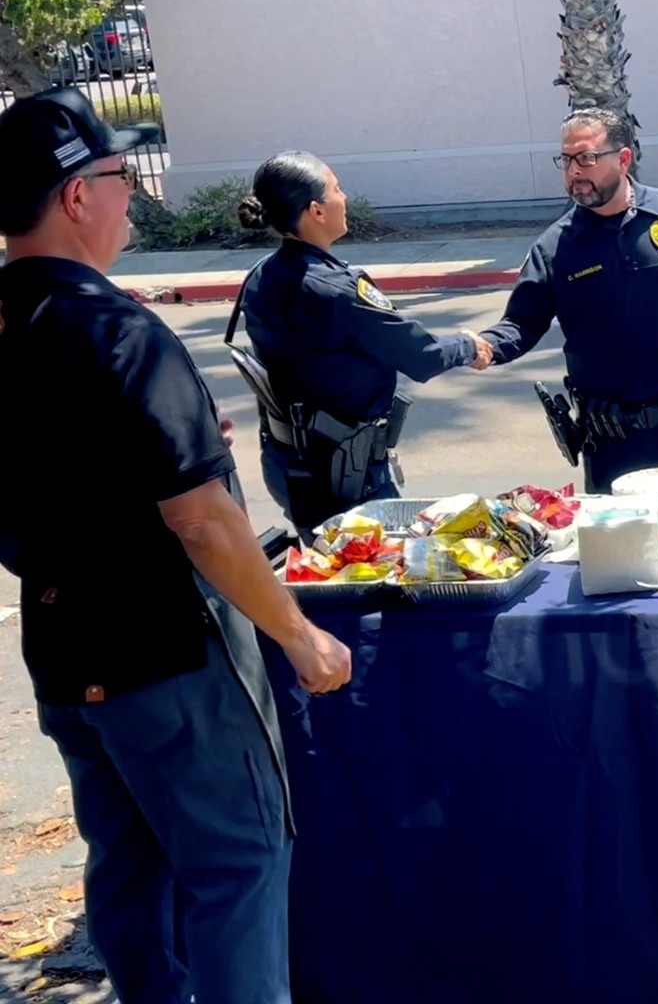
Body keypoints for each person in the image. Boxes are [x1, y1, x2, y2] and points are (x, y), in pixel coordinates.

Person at [0, 88, 352, 1004]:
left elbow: (61, 457)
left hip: (64, 645)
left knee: (129, 865)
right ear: (76, 196)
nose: (130, 198)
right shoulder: (116, 330)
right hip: (166, 654)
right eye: (120, 177)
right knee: (237, 865)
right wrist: (296, 635)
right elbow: (200, 518)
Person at [476, 108, 658, 493]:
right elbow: (522, 324)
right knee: (621, 553)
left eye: (587, 158)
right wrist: (484, 347)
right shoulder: (555, 247)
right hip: (613, 444)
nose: (574, 171)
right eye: (566, 160)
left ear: (623, 159)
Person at [230, 151, 493, 536]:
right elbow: (422, 357)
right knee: (374, 582)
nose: (345, 197)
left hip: (289, 464)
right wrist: (468, 345)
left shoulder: (261, 275)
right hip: (345, 473)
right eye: (337, 189)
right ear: (316, 211)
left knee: (326, 577)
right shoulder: (337, 290)